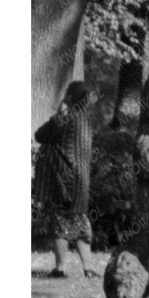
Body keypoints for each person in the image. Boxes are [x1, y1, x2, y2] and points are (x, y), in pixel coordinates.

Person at [34, 82, 98, 279]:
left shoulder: (65, 118)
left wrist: (60, 111)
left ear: (70, 97)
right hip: (81, 182)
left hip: (62, 181)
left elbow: (40, 135)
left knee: (59, 222)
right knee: (80, 221)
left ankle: (60, 268)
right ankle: (88, 268)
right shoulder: (86, 119)